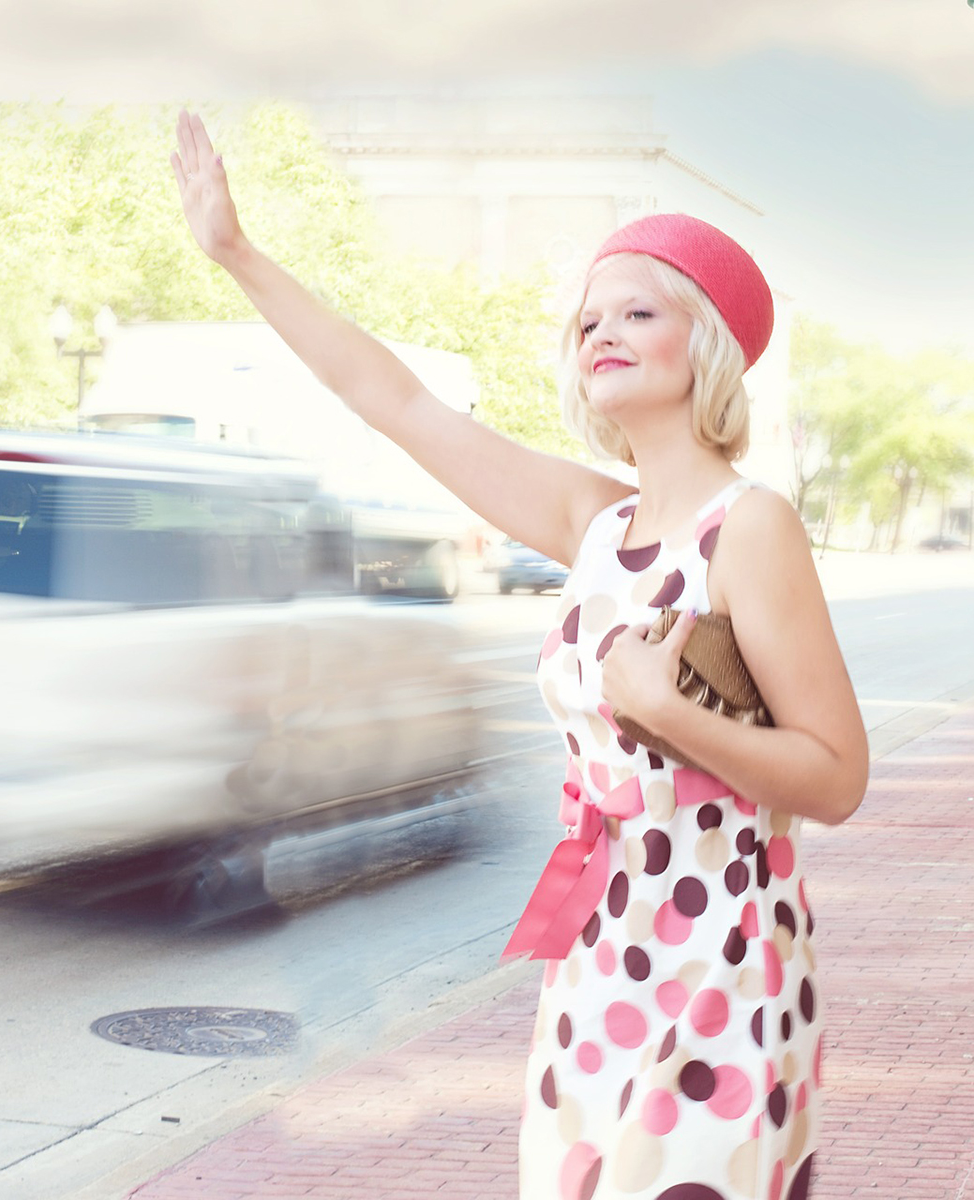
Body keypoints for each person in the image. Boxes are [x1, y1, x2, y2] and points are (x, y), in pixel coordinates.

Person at [171, 109, 868, 1200]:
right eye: (589, 318)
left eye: (639, 311)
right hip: (600, 954)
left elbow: (837, 776)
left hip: (724, 958)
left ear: (709, 343)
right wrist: (237, 253)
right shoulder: (594, 522)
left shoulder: (751, 526)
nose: (602, 331)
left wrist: (672, 712)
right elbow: (395, 401)